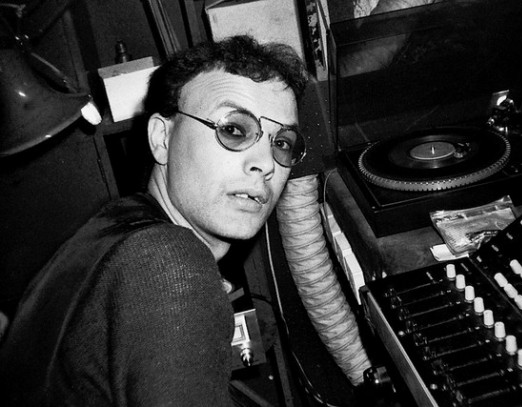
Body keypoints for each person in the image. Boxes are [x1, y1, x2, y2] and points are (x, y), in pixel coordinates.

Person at [0, 35, 309, 406]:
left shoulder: (118, 222)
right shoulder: (169, 261)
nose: (266, 164)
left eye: (282, 143)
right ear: (162, 138)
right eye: (233, 129)